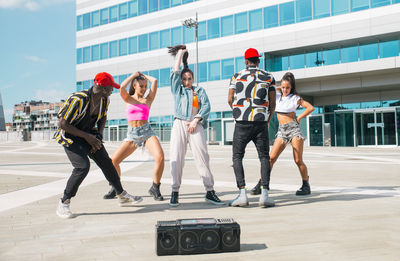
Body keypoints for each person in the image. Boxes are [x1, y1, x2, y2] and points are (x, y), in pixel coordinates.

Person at [54, 72, 142, 219]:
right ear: (101, 86)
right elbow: (63, 124)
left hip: (90, 135)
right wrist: (88, 138)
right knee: (82, 167)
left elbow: (103, 117)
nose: (112, 90)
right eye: (110, 88)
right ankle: (64, 202)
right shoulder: (78, 99)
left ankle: (121, 194)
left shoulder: (104, 100)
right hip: (70, 136)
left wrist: (98, 136)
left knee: (107, 163)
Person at [168, 45, 224, 207]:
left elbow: (206, 106)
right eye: (184, 79)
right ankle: (175, 192)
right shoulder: (177, 90)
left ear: (193, 79)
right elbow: (175, 71)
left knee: (202, 157)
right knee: (176, 158)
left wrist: (195, 120)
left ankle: (210, 191)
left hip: (195, 125)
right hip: (179, 124)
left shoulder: (199, 91)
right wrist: (180, 54)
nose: (186, 81)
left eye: (189, 79)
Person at [250, 72, 315, 196]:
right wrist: (280, 86)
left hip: (293, 129)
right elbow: (273, 88)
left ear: (292, 88)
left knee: (297, 160)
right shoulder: (278, 95)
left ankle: (306, 185)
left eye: (288, 87)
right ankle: (263, 184)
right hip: (281, 130)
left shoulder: (295, 98)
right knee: (271, 159)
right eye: (283, 87)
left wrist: (299, 117)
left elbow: (310, 107)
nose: (285, 90)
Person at [103, 71, 165, 201]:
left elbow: (154, 81)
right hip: (132, 135)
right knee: (114, 161)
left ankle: (155, 187)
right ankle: (115, 187)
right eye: (141, 86)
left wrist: (143, 75)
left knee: (160, 157)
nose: (143, 89)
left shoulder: (148, 99)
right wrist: (133, 75)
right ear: (135, 86)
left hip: (147, 132)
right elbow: (121, 87)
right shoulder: (128, 98)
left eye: (145, 86)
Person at [228, 48, 276, 207]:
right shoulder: (269, 77)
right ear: (259, 60)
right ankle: (265, 195)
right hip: (260, 121)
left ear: (246, 61)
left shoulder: (236, 76)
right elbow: (273, 102)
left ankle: (242, 194)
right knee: (264, 157)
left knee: (237, 157)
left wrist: (238, 112)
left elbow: (230, 99)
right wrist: (267, 118)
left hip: (242, 121)